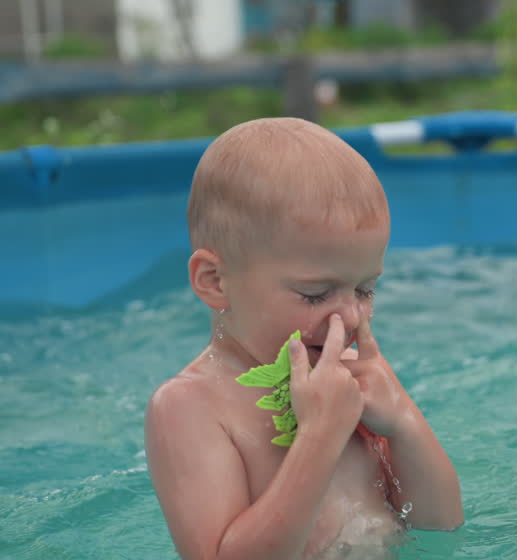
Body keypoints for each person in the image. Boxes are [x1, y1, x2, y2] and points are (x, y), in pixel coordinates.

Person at [145, 117, 463, 560]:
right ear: (216, 281)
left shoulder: (349, 380)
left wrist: (405, 423)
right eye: (315, 294)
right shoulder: (189, 408)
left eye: (366, 289)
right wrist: (318, 438)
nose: (350, 315)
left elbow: (441, 525)